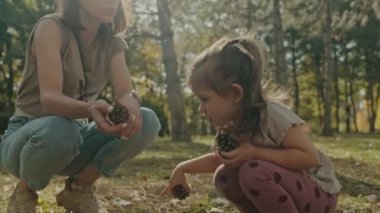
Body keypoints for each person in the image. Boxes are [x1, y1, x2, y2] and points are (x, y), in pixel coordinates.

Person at [0, 0, 161, 212]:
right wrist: (89, 109)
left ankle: (78, 189)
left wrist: (130, 101)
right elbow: (50, 98)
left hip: (75, 140)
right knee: (60, 129)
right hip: (28, 142)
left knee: (146, 120)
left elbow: (125, 92)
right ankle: (24, 192)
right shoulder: (51, 27)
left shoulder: (112, 41)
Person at [160, 36, 341, 213]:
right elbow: (220, 159)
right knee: (224, 176)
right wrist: (182, 168)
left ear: (235, 94)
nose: (201, 109)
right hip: (287, 191)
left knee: (252, 172)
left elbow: (309, 158)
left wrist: (254, 153)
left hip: (318, 194)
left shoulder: (272, 115)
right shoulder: (231, 125)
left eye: (205, 99)